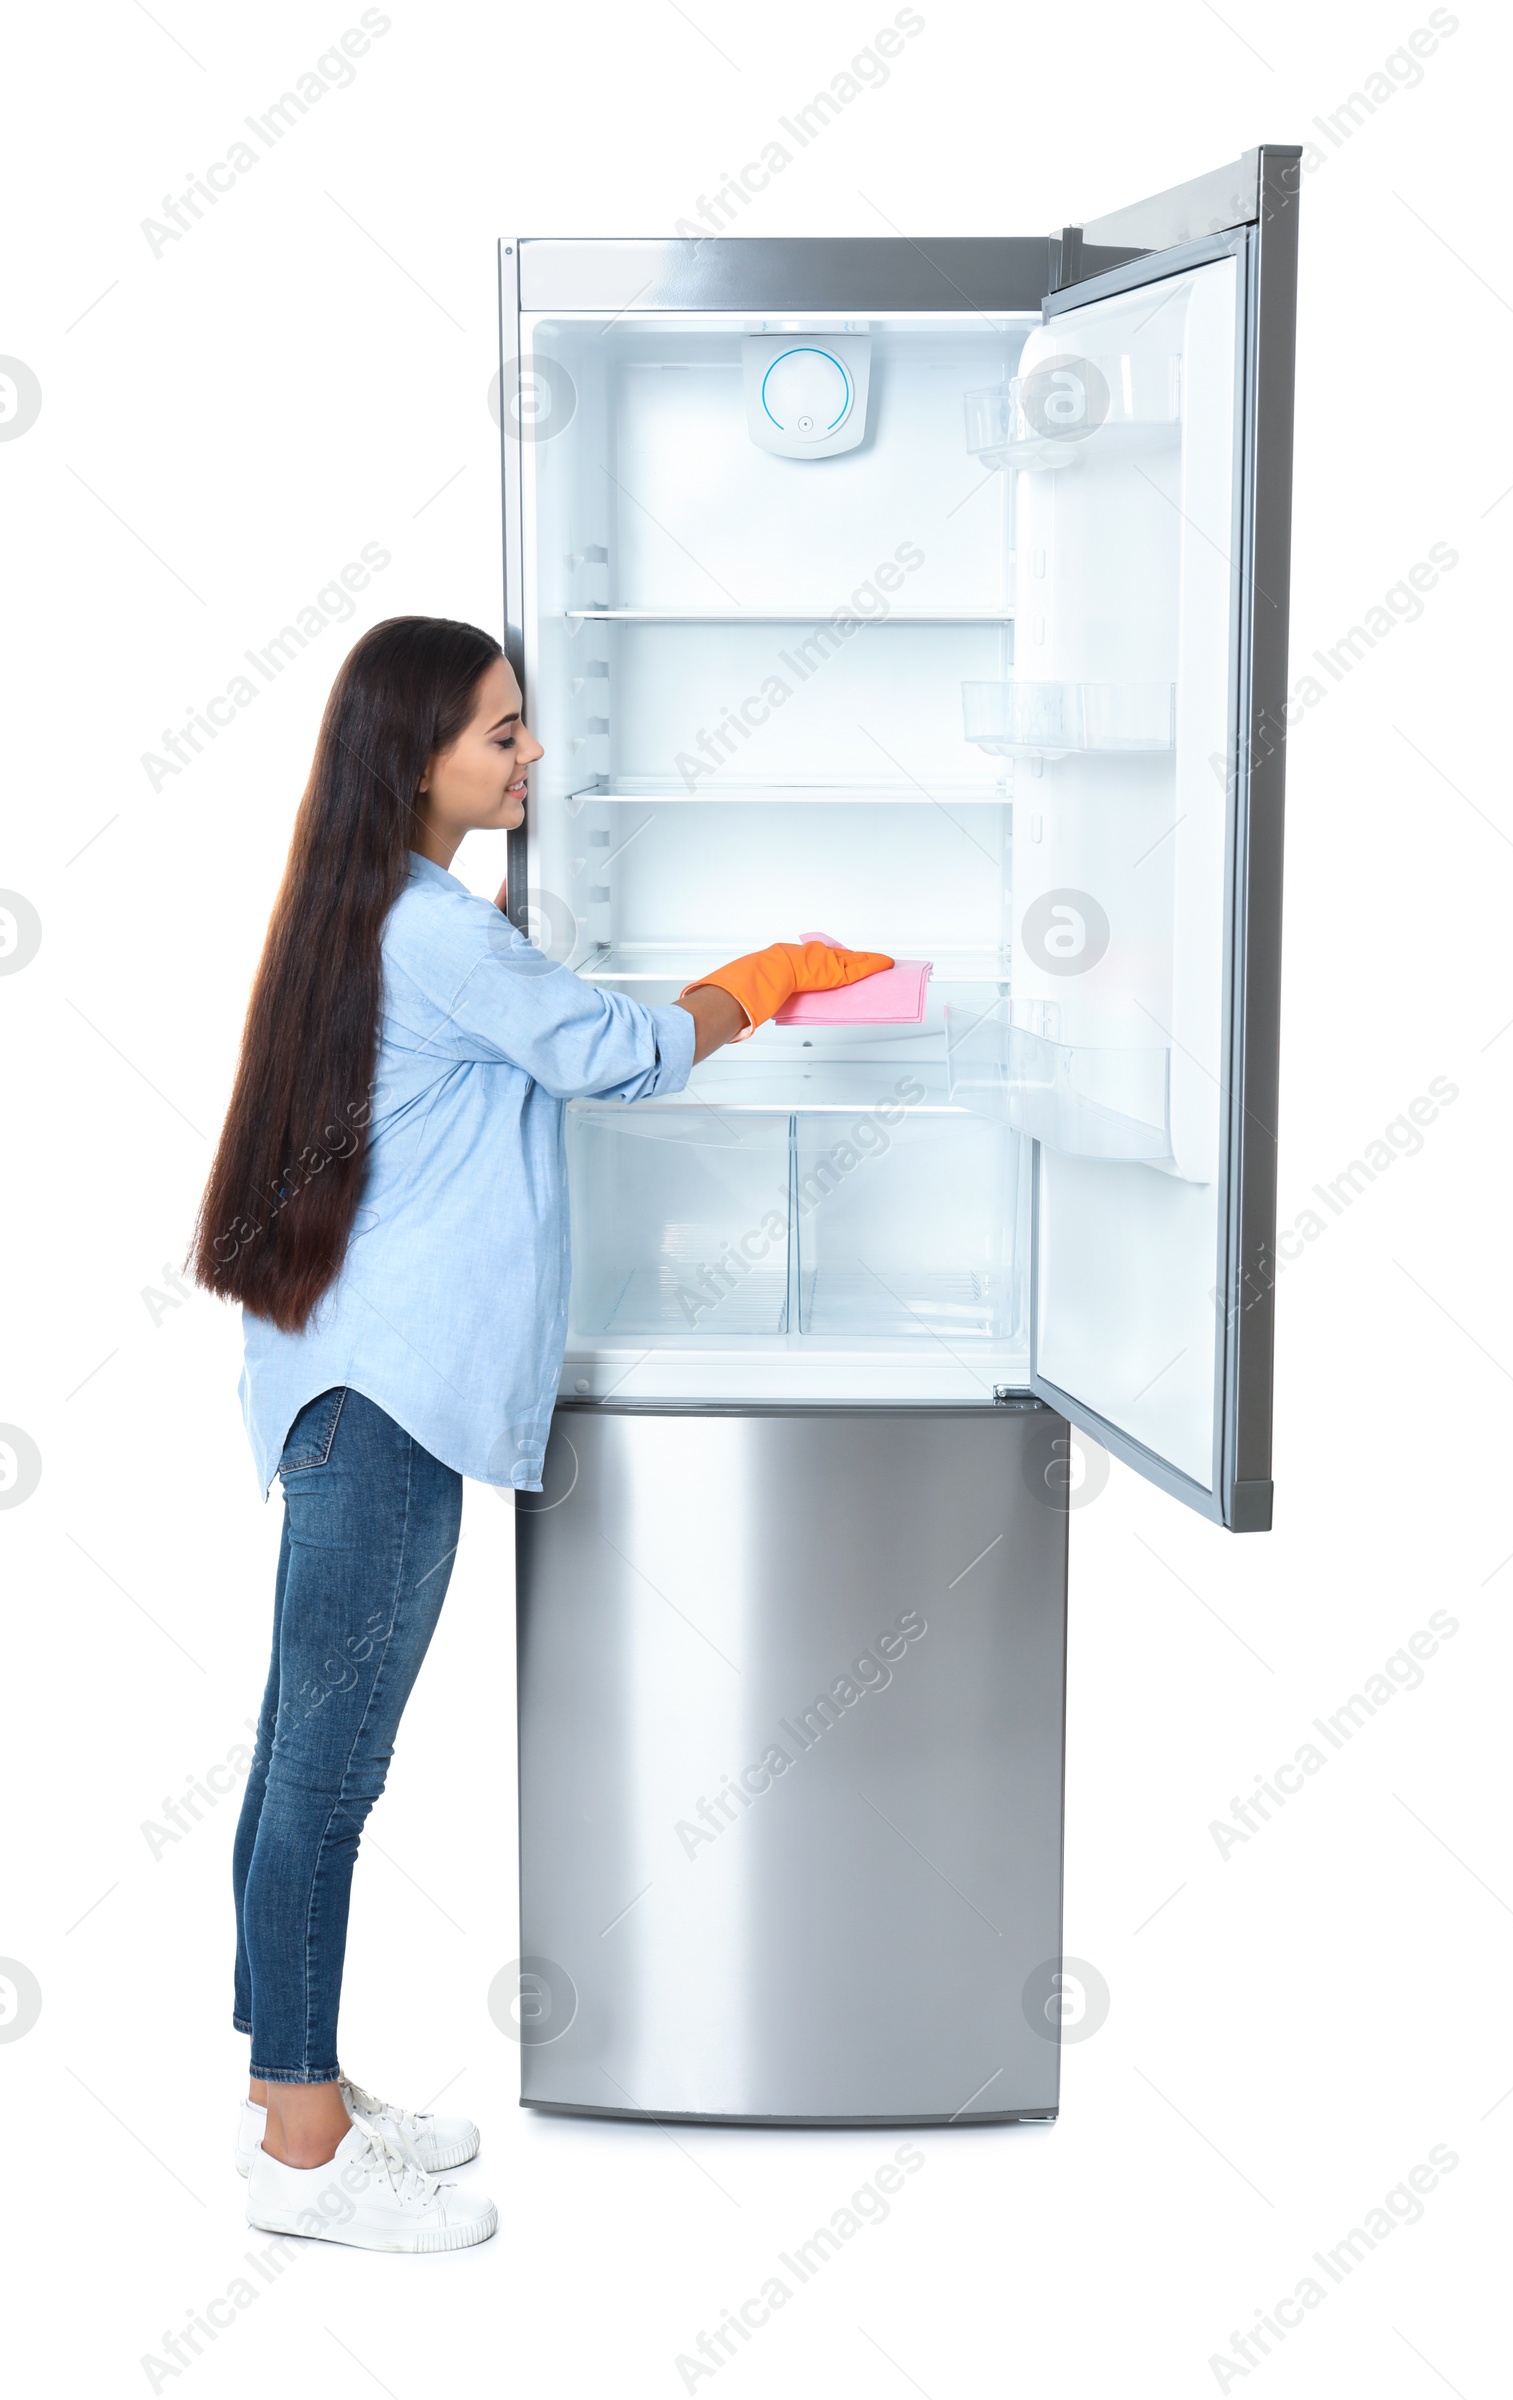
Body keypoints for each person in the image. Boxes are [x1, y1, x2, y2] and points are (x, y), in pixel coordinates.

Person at [189, 615, 890, 2254]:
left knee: (300, 1757)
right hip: (391, 1401)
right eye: (502, 735)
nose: (531, 757)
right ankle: (300, 2154)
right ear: (416, 753)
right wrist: (765, 978)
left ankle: (294, 2087)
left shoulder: (393, 909)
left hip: (351, 1381)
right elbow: (614, 1056)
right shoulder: (432, 931)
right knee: (328, 1776)